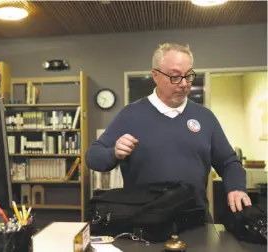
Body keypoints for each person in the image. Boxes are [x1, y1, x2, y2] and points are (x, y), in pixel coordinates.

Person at [85, 43, 251, 215]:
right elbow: (93, 157)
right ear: (155, 75)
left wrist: (237, 187)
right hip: (144, 220)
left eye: (189, 76)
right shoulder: (130, 115)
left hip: (195, 220)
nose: (184, 84)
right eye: (175, 76)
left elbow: (228, 161)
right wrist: (114, 153)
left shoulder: (205, 117)